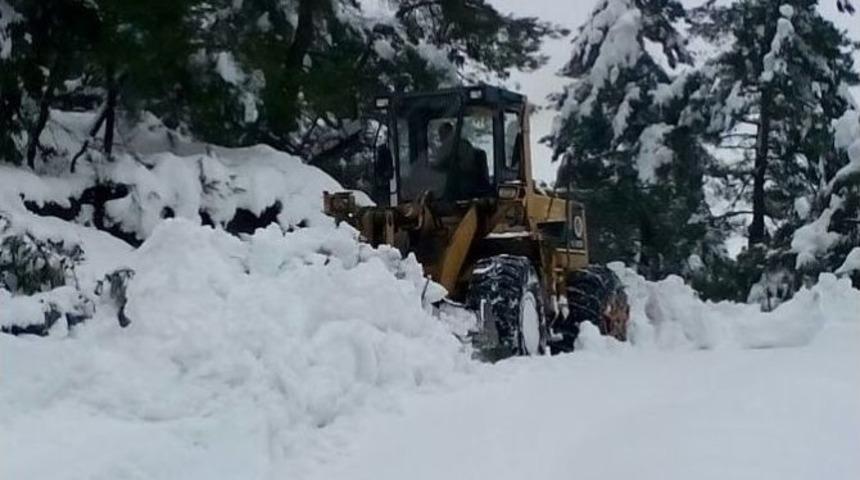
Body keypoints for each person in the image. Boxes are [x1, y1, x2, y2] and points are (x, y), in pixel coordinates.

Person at [435, 122, 490, 200]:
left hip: (465, 184)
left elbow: (468, 165)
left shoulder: (463, 146)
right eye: (440, 134)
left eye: (443, 133)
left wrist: (455, 166)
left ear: (450, 133)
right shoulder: (442, 150)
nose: (441, 137)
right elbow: (437, 168)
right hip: (446, 185)